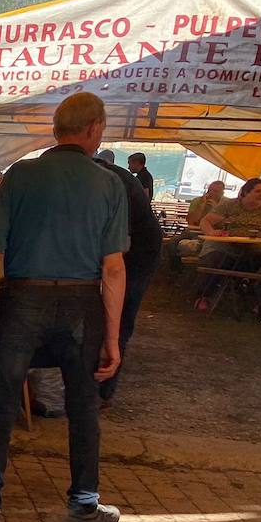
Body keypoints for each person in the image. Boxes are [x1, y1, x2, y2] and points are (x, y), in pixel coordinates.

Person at [0, 92, 128, 522]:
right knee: (83, 404)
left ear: (57, 130)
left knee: (3, 399)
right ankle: (84, 505)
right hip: (83, 304)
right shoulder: (110, 185)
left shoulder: (22, 176)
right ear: (94, 130)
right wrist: (114, 340)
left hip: (24, 299)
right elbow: (114, 268)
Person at [94, 150, 163, 404]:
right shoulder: (101, 177)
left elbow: (118, 250)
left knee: (119, 316)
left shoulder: (115, 183)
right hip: (124, 249)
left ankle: (102, 390)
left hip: (138, 255)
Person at [195, 178, 261, 310]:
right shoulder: (230, 205)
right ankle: (204, 296)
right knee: (214, 258)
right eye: (257, 191)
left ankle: (259, 303)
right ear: (246, 192)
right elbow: (205, 221)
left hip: (258, 251)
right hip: (228, 248)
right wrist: (211, 232)